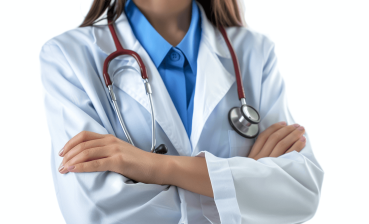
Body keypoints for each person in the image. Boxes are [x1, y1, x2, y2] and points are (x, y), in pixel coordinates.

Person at [40, 0, 324, 223]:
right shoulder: (68, 57)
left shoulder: (255, 52)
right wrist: (241, 192)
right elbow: (95, 211)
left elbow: (302, 191)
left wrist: (156, 167)